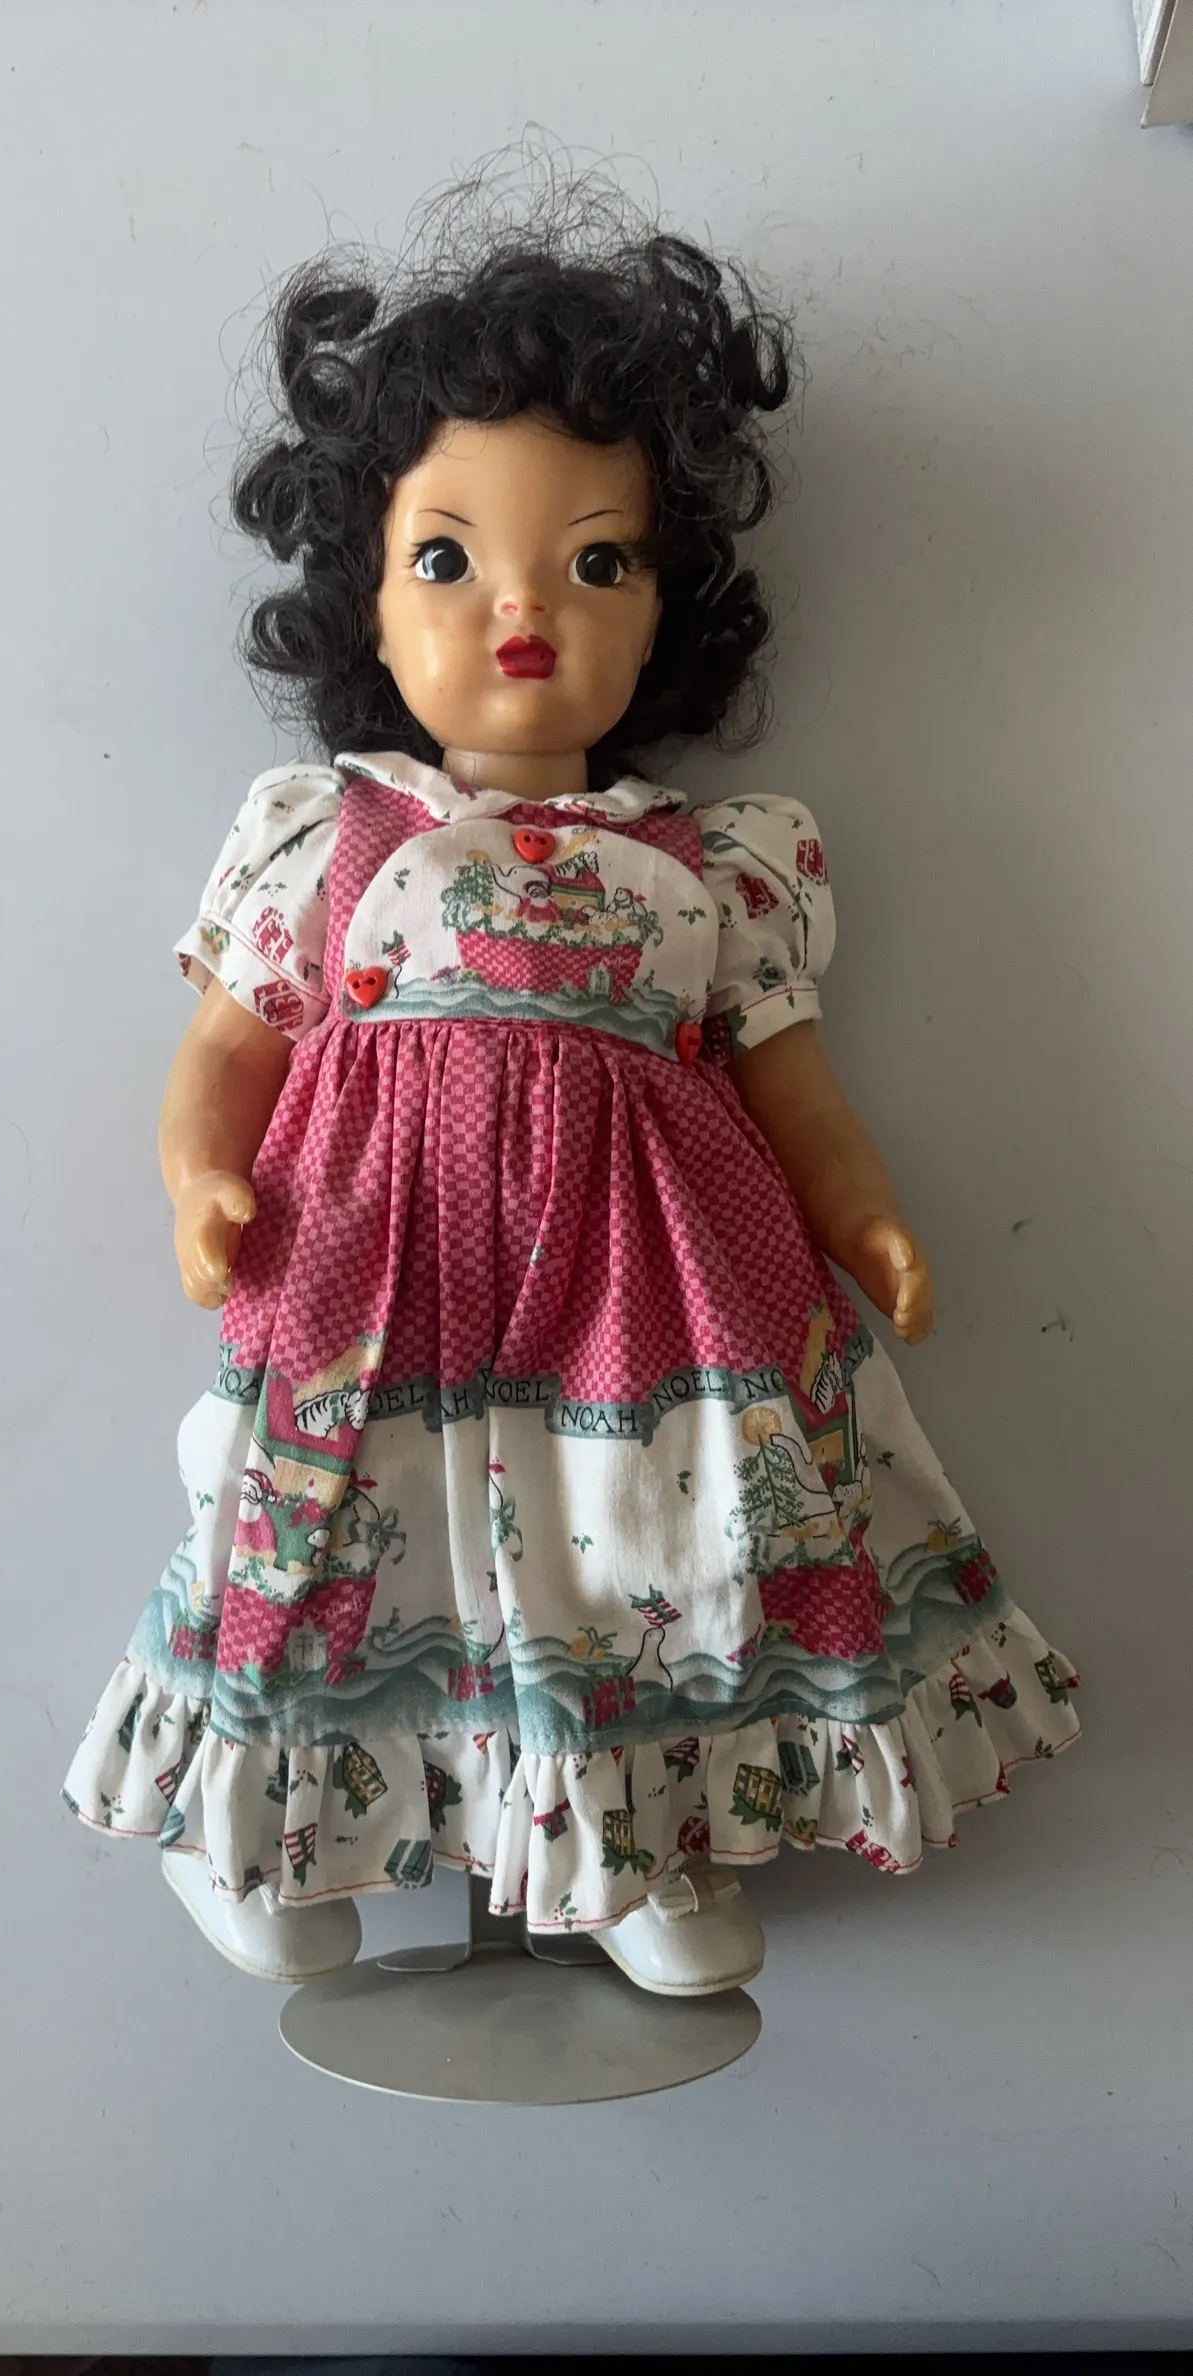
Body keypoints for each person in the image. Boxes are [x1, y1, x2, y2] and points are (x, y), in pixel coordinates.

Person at [63, 172, 1079, 1997]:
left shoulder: (720, 863)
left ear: (666, 606)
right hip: (375, 1271)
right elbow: (223, 1050)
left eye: (596, 561)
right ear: (365, 603)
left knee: (645, 1556)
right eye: (447, 559)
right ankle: (250, 1844)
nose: (522, 604)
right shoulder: (325, 835)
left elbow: (793, 1085)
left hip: (653, 1295)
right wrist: (204, 1183)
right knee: (320, 1546)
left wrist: (867, 1218)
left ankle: (636, 1838)